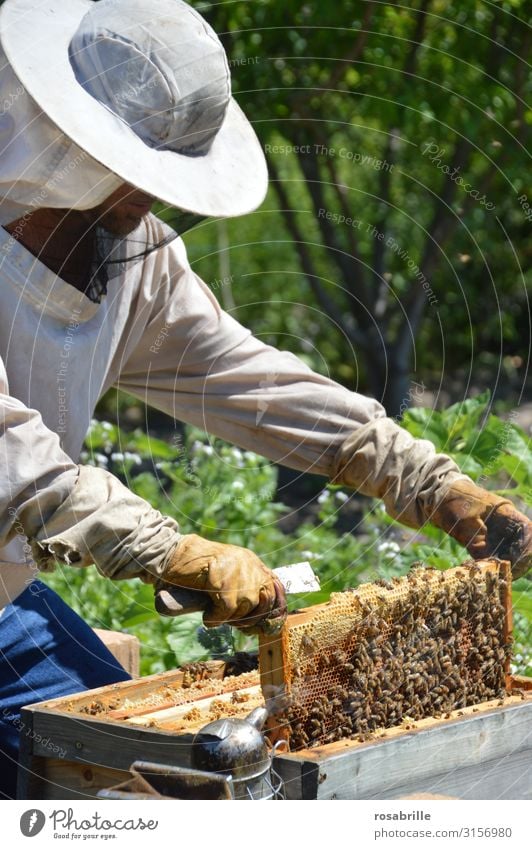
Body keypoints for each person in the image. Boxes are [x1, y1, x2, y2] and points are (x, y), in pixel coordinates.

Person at [0, 0, 529, 799]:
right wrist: (169, 549)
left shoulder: (130, 260)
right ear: (61, 136)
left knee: (142, 778)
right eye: (132, 169)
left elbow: (243, 377)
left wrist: (422, 478)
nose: (146, 199)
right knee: (82, 791)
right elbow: (16, 465)